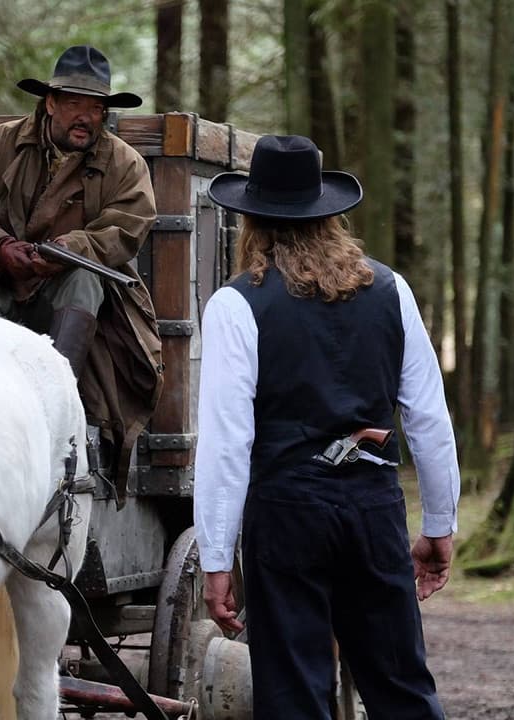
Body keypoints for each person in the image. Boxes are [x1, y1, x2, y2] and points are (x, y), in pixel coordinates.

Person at [193, 134, 460, 719]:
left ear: (251, 222)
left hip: (286, 518)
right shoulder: (392, 291)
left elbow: (226, 444)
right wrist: (439, 525)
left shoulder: (236, 305)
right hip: (372, 510)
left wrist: (216, 559)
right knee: (402, 691)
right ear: (327, 216)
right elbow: (429, 419)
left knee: (294, 699)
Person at [0, 45, 162, 497]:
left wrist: (70, 248)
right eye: (73, 104)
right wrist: (1, 249)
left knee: (85, 278)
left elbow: (127, 228)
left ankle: (57, 408)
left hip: (72, 293)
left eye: (96, 108)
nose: (86, 116)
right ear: (49, 103)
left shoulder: (125, 163)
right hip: (0, 280)